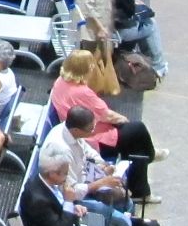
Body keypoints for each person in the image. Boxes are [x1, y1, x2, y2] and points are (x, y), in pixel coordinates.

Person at [49, 49, 165, 202]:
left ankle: (143, 171)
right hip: (92, 138)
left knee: (136, 141)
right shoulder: (82, 92)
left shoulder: (60, 82)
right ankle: (142, 185)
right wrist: (123, 119)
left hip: (79, 128)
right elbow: (107, 115)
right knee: (137, 131)